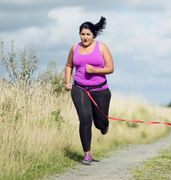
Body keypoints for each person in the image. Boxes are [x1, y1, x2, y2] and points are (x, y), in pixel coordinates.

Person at [64, 16, 114, 165]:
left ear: (94, 35)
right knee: (85, 119)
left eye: (88, 34)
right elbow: (68, 66)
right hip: (79, 88)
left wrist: (94, 70)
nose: (85, 37)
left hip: (100, 90)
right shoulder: (75, 48)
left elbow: (111, 68)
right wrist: (68, 82)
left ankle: (104, 125)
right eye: (82, 34)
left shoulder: (102, 47)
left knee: (100, 122)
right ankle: (87, 154)